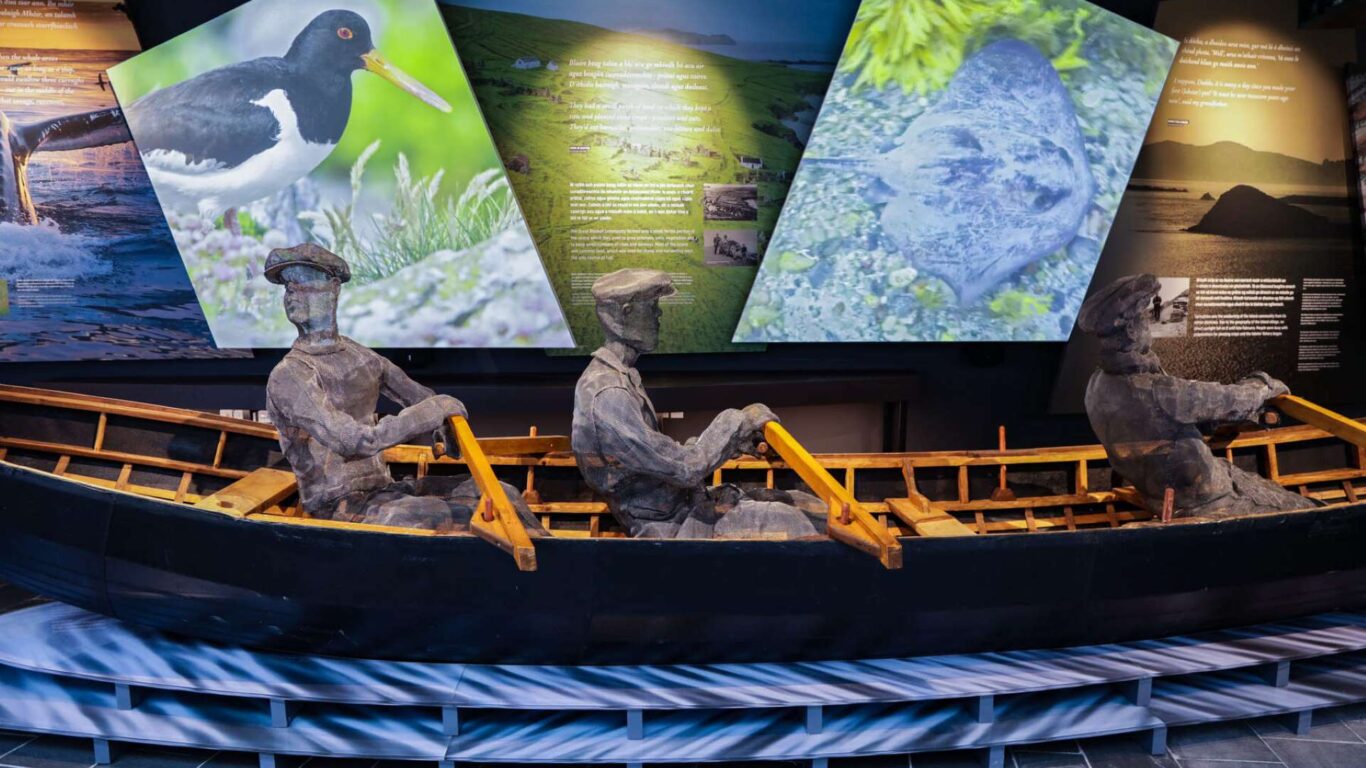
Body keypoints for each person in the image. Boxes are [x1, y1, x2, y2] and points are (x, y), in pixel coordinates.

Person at [263, 243, 545, 532]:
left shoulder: (361, 356)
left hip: (381, 490)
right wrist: (432, 411)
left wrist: (445, 421)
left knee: (503, 493)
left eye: (304, 284)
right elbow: (353, 442)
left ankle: (549, 560)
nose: (292, 295)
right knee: (437, 514)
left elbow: (421, 398)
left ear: (333, 289)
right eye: (288, 287)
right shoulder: (290, 375)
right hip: (338, 505)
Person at [572, 268, 826, 539]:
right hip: (670, 526)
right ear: (624, 315)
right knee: (796, 520)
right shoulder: (609, 394)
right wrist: (738, 422)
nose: (659, 315)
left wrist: (730, 443)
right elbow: (685, 469)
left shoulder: (619, 378)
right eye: (652, 306)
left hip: (681, 504)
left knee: (797, 500)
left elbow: (663, 458)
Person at [1078, 274, 1316, 519]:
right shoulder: (1156, 389)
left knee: (1260, 485)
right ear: (1131, 329)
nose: (1149, 328)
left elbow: (1164, 422)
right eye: (1145, 322)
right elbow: (1236, 400)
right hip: (1206, 501)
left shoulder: (1097, 384)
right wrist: (1263, 384)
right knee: (1308, 509)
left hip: (1161, 495)